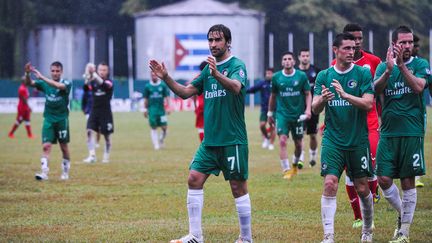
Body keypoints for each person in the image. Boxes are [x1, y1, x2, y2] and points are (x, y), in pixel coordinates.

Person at [149, 24, 252, 243]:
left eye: (218, 40)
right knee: (194, 179)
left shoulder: (236, 65)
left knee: (238, 187)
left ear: (228, 42)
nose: (213, 44)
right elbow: (186, 93)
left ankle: (246, 238)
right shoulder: (207, 70)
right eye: (210, 40)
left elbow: (235, 87)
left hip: (232, 139)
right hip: (210, 140)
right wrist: (166, 77)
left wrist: (217, 74)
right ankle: (196, 236)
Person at [313, 33, 375, 243]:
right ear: (335, 50)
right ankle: (328, 235)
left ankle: (367, 230)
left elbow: (368, 104)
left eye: (353, 48)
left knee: (362, 187)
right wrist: (323, 99)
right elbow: (314, 109)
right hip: (333, 140)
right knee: (330, 183)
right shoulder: (324, 76)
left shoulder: (362, 74)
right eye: (347, 48)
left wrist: (346, 95)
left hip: (358, 141)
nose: (352, 51)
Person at [374, 25, 430, 243]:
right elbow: (375, 90)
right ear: (394, 44)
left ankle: (404, 232)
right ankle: (403, 215)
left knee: (407, 180)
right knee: (383, 179)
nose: (407, 46)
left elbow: (418, 88)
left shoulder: (421, 64)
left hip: (411, 131)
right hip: (388, 132)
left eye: (410, 42)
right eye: (403, 42)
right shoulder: (382, 67)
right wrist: (389, 70)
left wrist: (401, 67)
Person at [331, 23, 382, 229]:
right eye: (353, 38)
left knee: (370, 165)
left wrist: (383, 115)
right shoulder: (335, 64)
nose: (357, 42)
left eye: (360, 38)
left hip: (369, 121)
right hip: (346, 125)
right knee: (349, 171)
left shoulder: (373, 62)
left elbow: (380, 92)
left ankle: (373, 190)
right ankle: (358, 217)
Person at [24, 61, 72, 181]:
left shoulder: (66, 83)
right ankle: (44, 172)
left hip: (62, 120)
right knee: (46, 146)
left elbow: (58, 86)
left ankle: (65, 172)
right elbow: (29, 83)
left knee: (64, 147)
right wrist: (27, 73)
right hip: (48, 119)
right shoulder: (44, 83)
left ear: (61, 72)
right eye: (53, 71)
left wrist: (42, 77)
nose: (55, 73)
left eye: (57, 71)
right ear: (50, 71)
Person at [267, 51, 311, 180]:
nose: (287, 61)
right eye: (284, 59)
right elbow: (273, 96)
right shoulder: (276, 77)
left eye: (289, 59)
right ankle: (286, 169)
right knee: (282, 141)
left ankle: (294, 165)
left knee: (298, 144)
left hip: (298, 116)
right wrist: (270, 112)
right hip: (282, 115)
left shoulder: (301, 76)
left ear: (293, 62)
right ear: (282, 62)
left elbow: (308, 94)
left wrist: (308, 110)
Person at [83, 62, 114, 163]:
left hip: (106, 112)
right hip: (94, 111)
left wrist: (94, 74)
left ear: (107, 71)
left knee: (106, 136)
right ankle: (92, 156)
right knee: (89, 131)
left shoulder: (109, 82)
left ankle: (106, 156)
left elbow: (103, 84)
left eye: (104, 70)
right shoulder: (94, 81)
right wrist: (88, 73)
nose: (102, 72)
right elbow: (86, 86)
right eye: (100, 69)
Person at [297, 48, 321, 166]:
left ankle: (312, 156)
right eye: (303, 55)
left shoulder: (316, 71)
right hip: (299, 108)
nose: (305, 58)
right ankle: (301, 158)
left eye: (307, 56)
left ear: (309, 57)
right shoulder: (295, 72)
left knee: (312, 135)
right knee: (300, 134)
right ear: (299, 57)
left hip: (313, 108)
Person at [246, 67, 276, 150]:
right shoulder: (262, 83)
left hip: (274, 109)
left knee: (273, 126)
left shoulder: (276, 83)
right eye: (267, 73)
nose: (268, 75)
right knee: (262, 125)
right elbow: (252, 89)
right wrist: (242, 91)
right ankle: (266, 138)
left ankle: (271, 144)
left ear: (273, 74)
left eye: (269, 73)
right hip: (264, 109)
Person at [143, 71, 170, 150]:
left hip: (161, 110)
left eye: (155, 74)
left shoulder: (162, 85)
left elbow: (167, 97)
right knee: (153, 127)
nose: (154, 76)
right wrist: (145, 109)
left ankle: (161, 139)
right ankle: (156, 145)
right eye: (152, 75)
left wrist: (168, 107)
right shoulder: (147, 86)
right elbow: (146, 99)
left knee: (164, 128)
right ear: (150, 76)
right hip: (152, 110)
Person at [82, 63, 101, 148]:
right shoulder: (86, 78)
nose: (91, 69)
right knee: (89, 127)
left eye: (93, 67)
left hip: (97, 108)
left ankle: (97, 142)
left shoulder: (97, 78)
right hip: (89, 109)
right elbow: (85, 90)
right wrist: (83, 107)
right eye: (90, 68)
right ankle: (89, 141)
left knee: (98, 128)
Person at [192, 61, 208, 142]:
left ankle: (203, 144)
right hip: (210, 105)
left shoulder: (197, 78)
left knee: (200, 127)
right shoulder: (212, 76)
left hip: (200, 105)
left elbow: (193, 93)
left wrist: (195, 106)